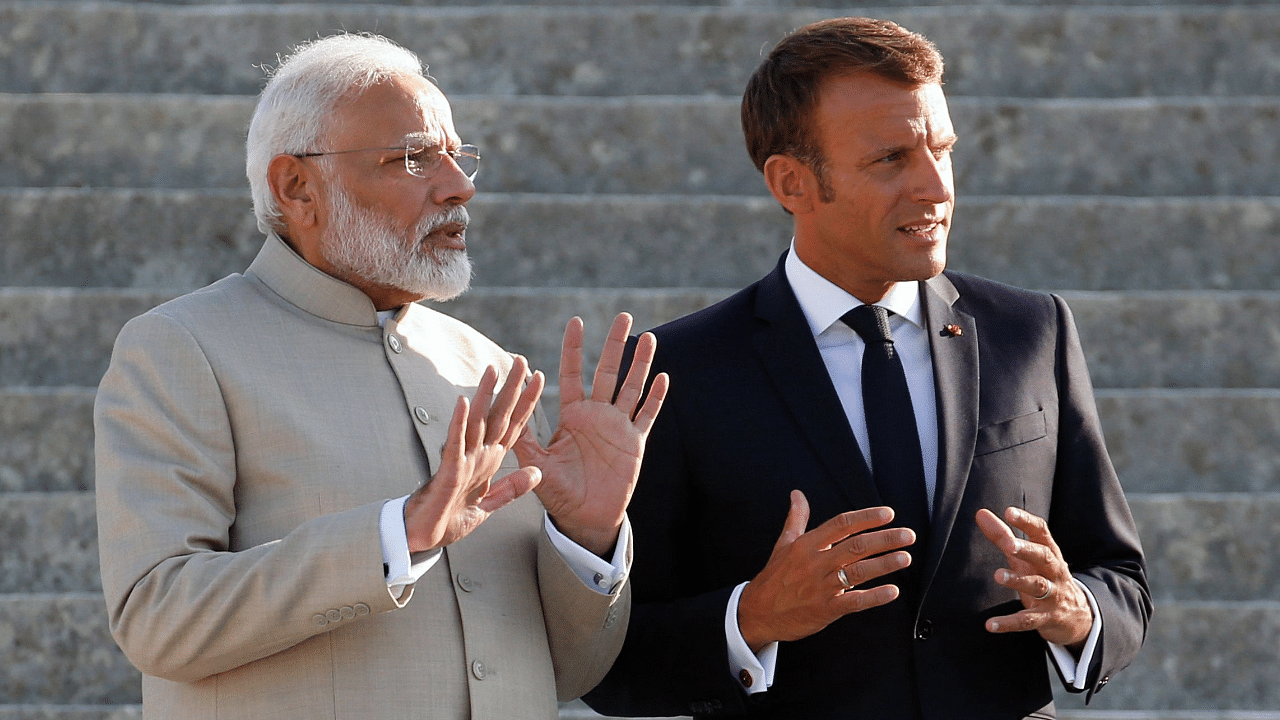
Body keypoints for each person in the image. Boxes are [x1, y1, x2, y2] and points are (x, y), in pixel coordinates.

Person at [582, 17, 1150, 720]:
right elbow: (609, 663)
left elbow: (1121, 579)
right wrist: (750, 617)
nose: (935, 187)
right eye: (892, 159)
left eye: (942, 150)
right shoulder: (679, 373)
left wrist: (1075, 611)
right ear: (792, 182)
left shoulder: (1032, 332)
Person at [94, 33, 667, 720]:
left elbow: (571, 672)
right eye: (414, 158)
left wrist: (588, 539)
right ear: (297, 187)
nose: (459, 186)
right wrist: (398, 536)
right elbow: (158, 620)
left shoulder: (486, 366)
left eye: (458, 157)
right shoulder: (183, 348)